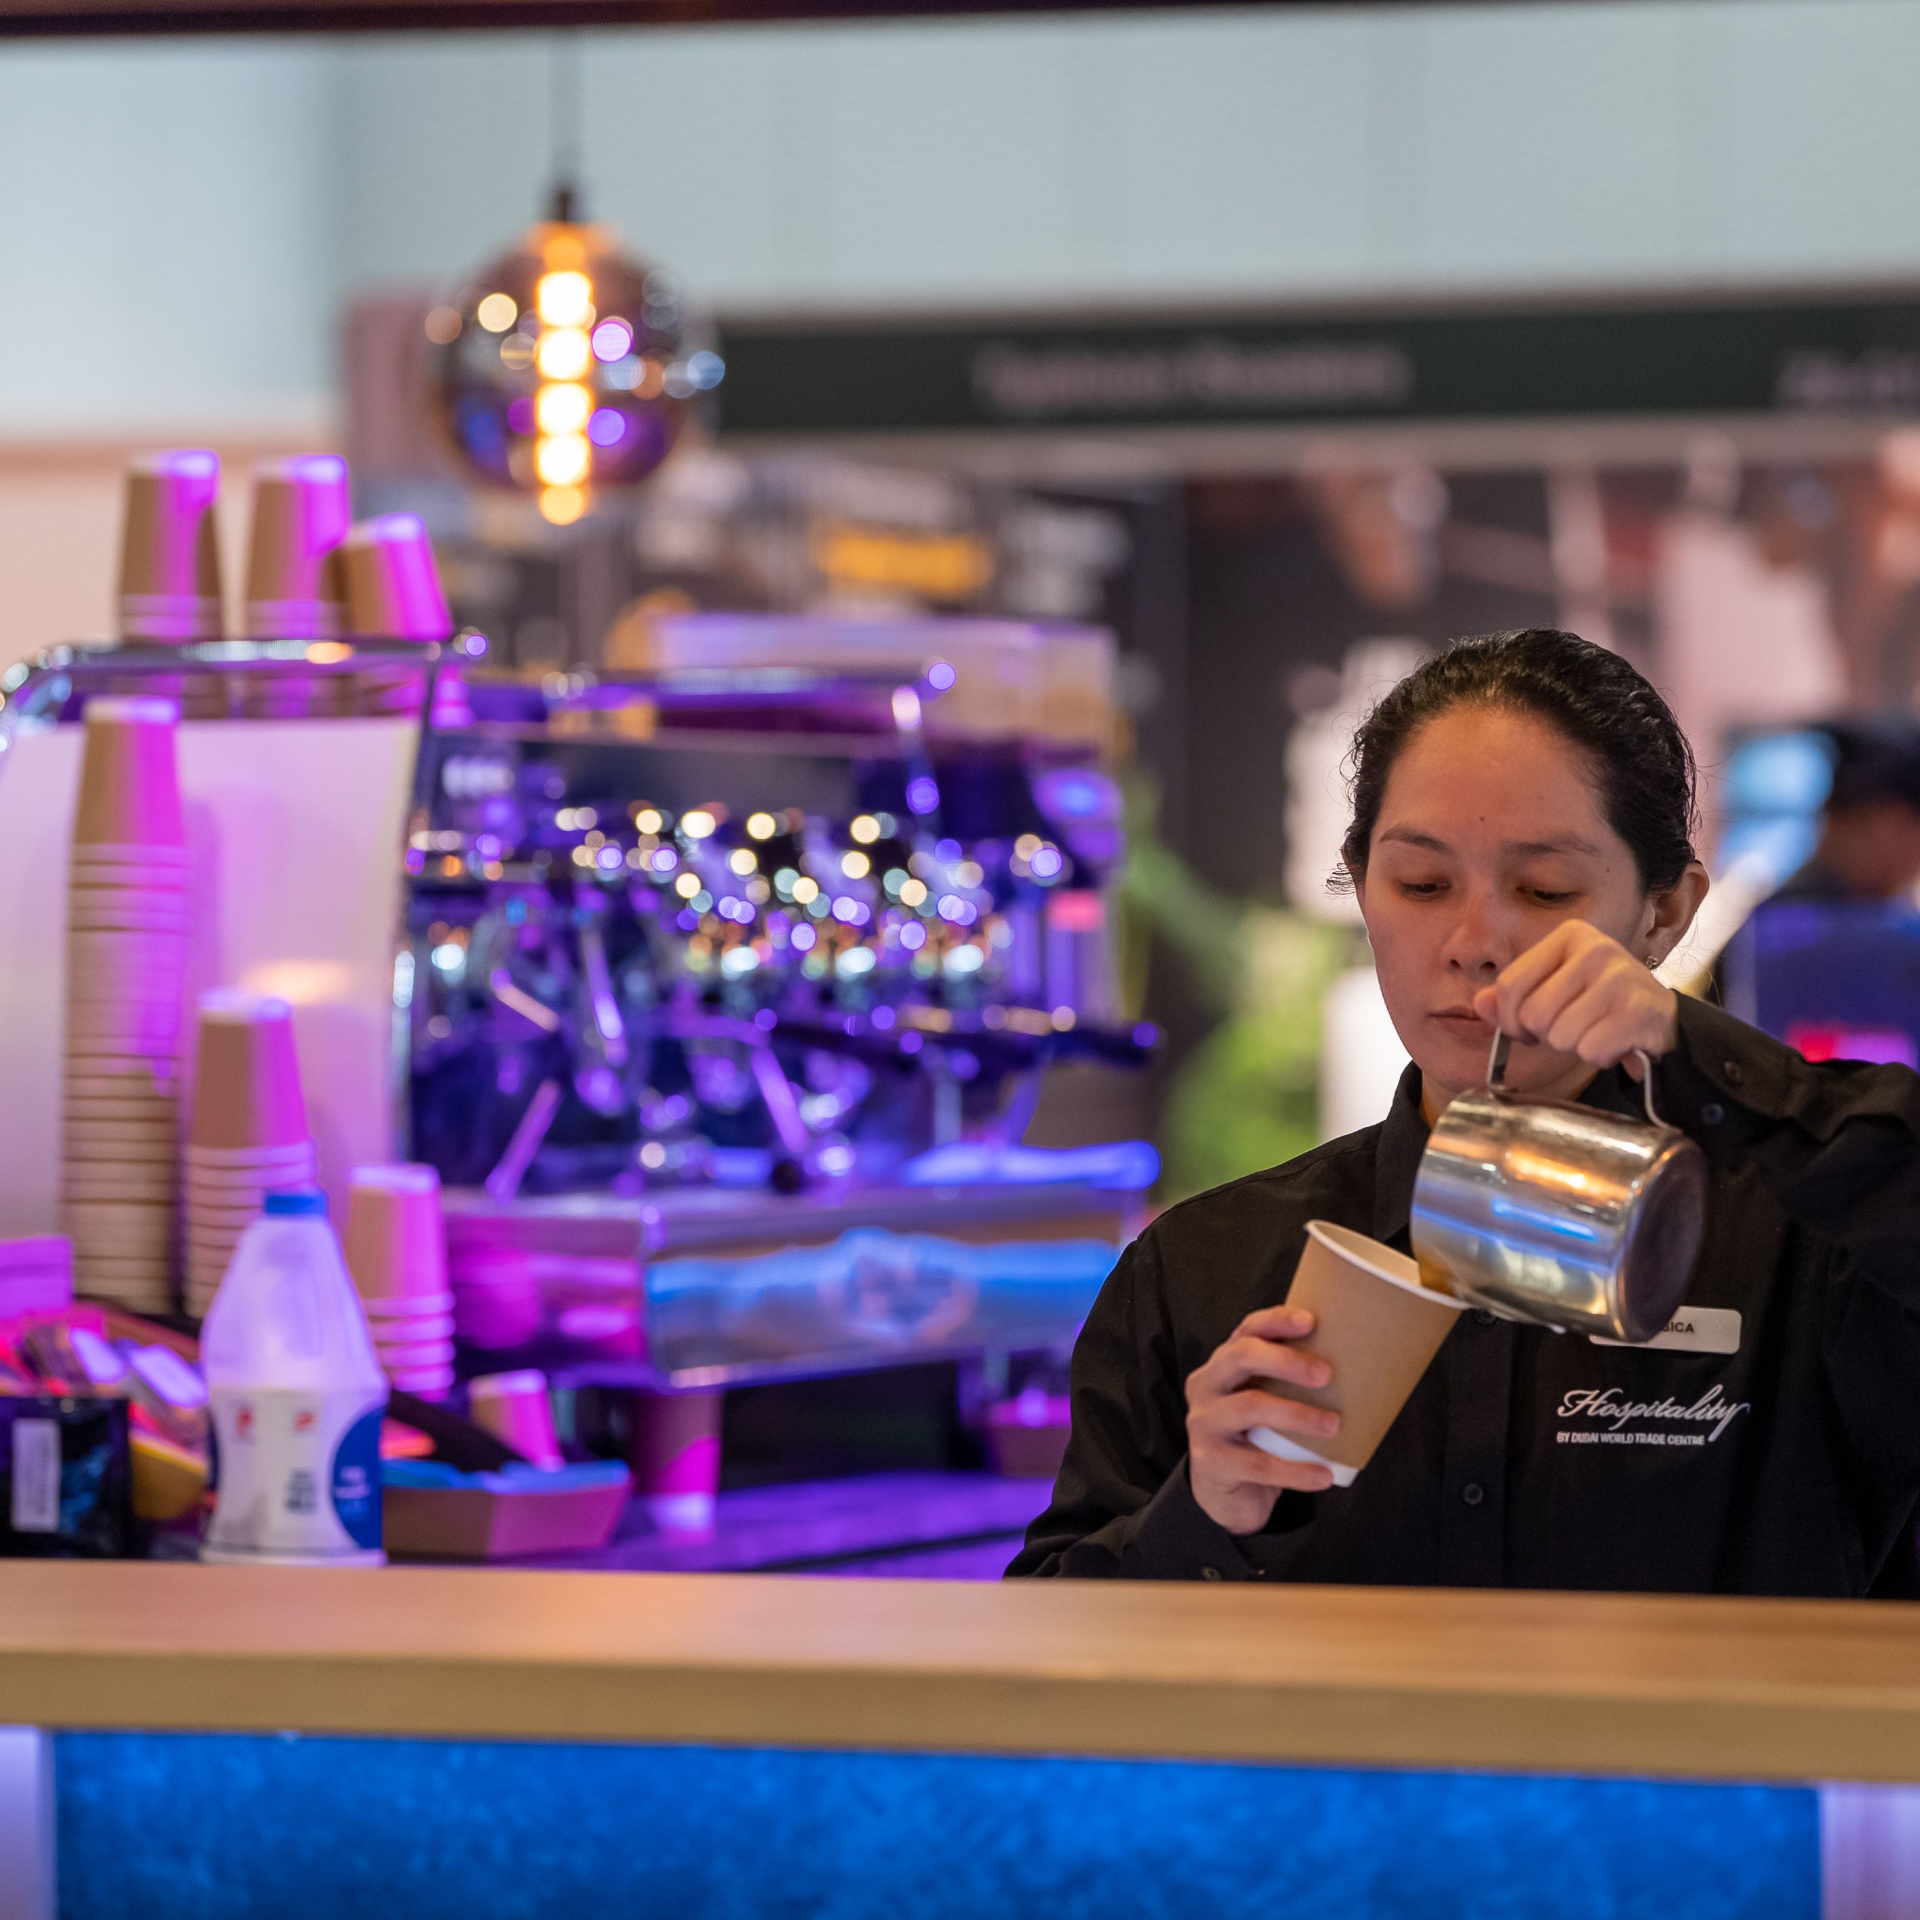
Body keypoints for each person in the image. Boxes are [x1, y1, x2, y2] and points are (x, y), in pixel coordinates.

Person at [1007, 630, 1920, 1594]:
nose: (1476, 940)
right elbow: (1054, 1637)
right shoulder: (1208, 1269)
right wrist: (1203, 1517)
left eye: (1544, 889)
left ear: (1665, 913)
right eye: (1423, 884)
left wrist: (1689, 1044)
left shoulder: (1809, 1247)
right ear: (1362, 887)